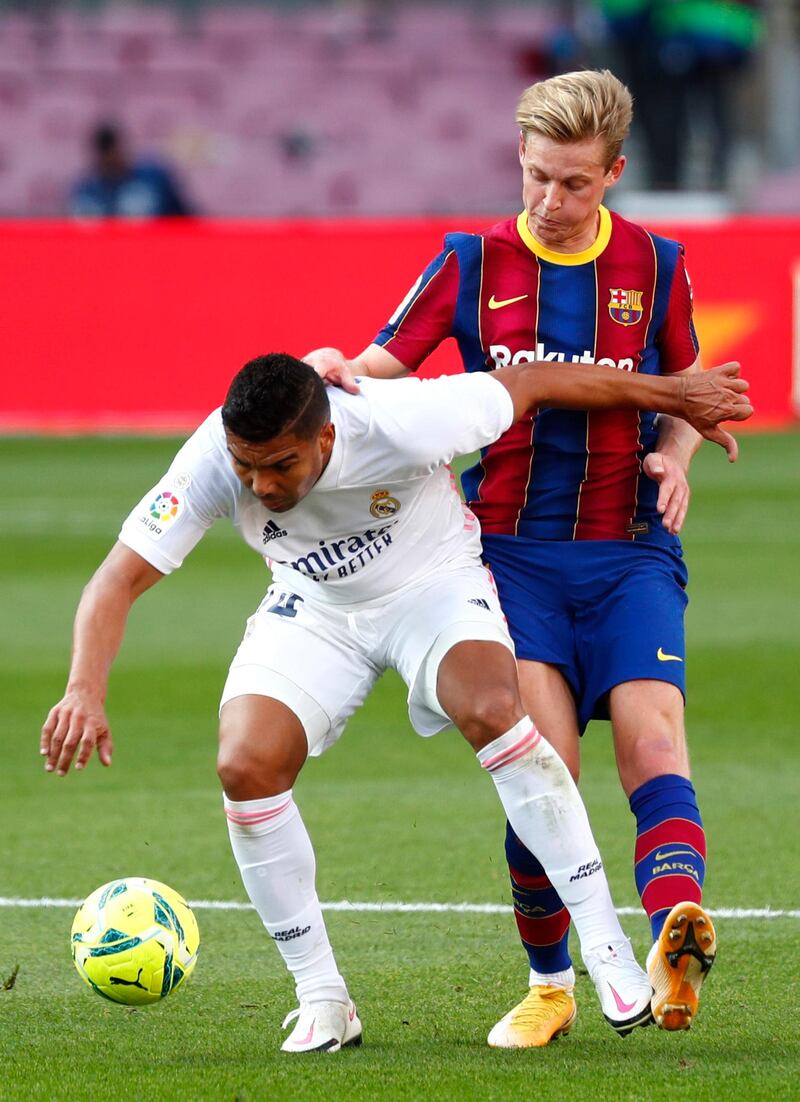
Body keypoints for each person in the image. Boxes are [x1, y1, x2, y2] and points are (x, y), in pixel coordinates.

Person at [41, 352, 750, 1053]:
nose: (260, 483)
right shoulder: (212, 457)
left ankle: (606, 951)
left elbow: (532, 381)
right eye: (246, 465)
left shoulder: (401, 420)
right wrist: (84, 689)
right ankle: (322, 998)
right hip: (314, 607)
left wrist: (674, 393)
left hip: (432, 587)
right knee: (244, 764)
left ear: (325, 439)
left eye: (279, 465)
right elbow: (114, 580)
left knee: (493, 707)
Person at [306, 69, 730, 1046]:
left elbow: (685, 393)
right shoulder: (468, 262)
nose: (549, 198)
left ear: (613, 172)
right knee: (541, 773)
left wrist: (674, 457)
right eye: (537, 175)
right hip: (507, 562)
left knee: (654, 744)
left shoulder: (657, 267)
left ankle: (674, 930)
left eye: (573, 182)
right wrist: (333, 370)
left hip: (629, 554)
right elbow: (377, 370)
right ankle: (550, 984)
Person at [69, 121, 194, 218]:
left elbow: (184, 218)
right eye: (104, 154)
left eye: (113, 151)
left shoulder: (154, 179)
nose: (110, 158)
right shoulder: (87, 192)